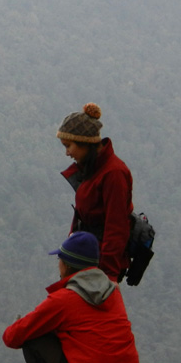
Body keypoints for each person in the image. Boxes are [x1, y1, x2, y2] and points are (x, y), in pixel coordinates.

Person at [3, 232, 142, 363]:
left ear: (67, 265)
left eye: (59, 260)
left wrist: (21, 324)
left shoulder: (64, 300)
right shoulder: (113, 293)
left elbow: (12, 337)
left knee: (34, 337)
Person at [57, 102, 133, 282]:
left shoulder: (113, 174)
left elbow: (117, 227)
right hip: (85, 260)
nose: (67, 153)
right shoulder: (92, 170)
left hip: (100, 265)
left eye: (68, 145)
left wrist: (109, 277)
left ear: (85, 143)